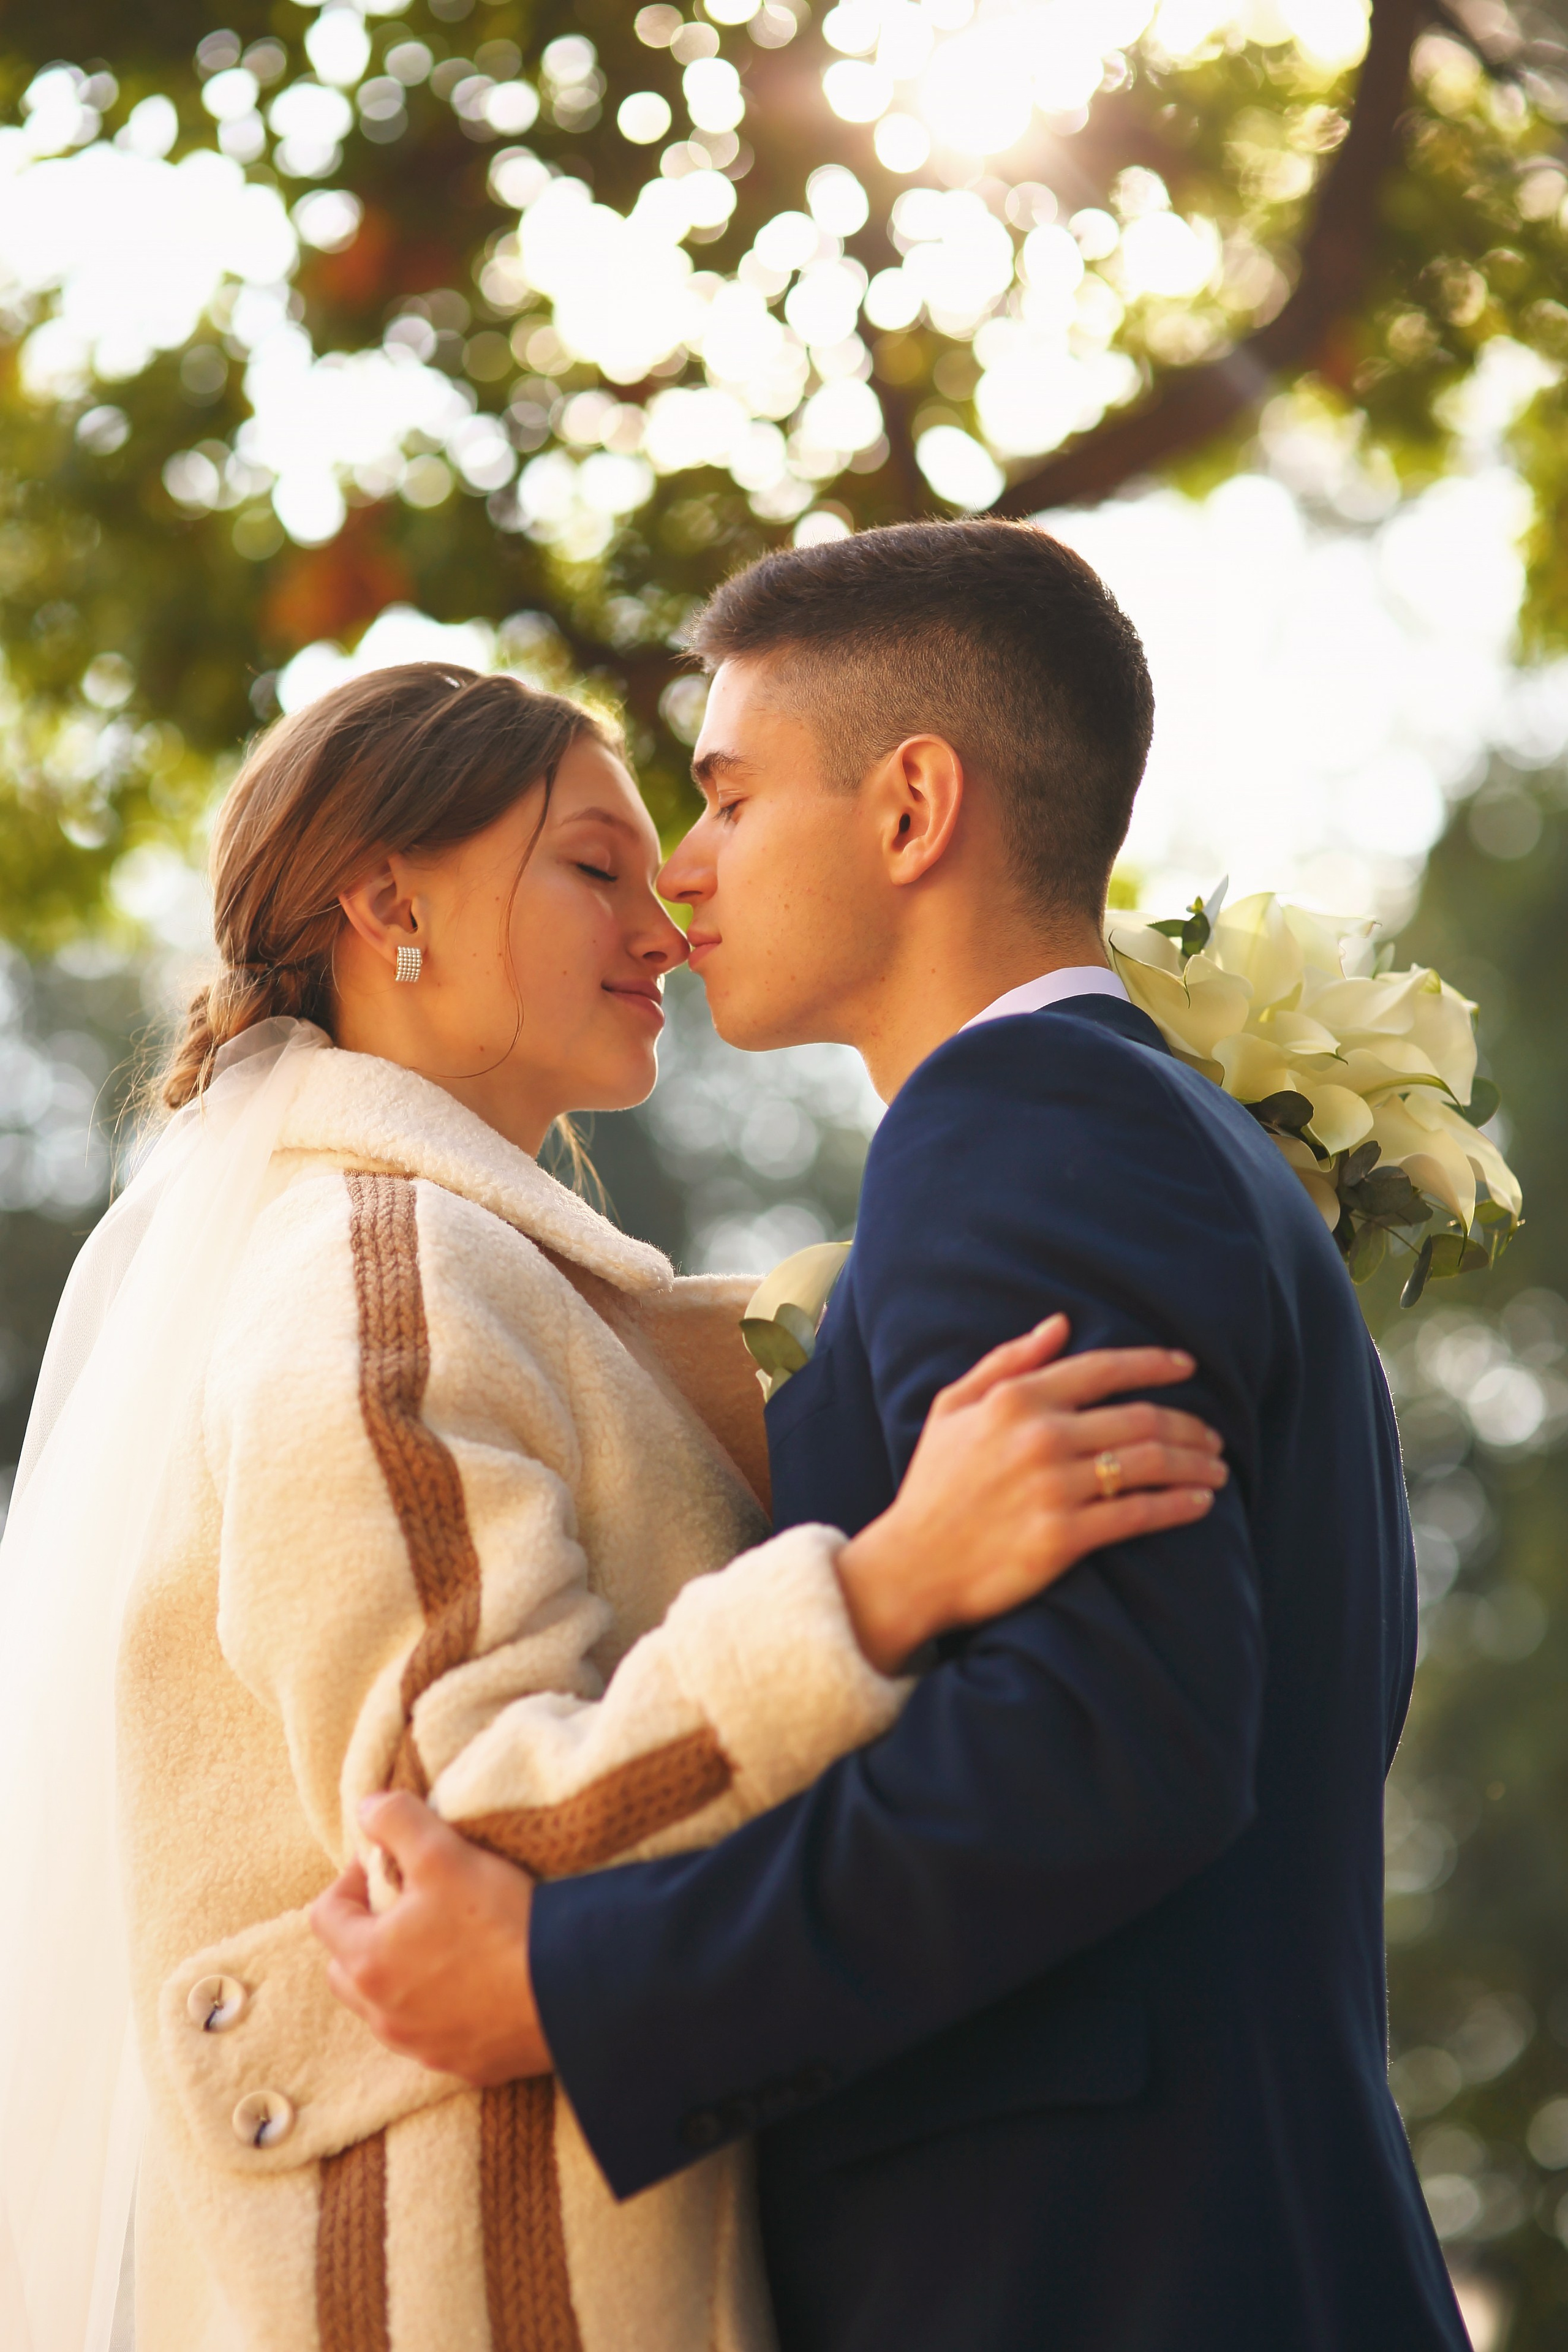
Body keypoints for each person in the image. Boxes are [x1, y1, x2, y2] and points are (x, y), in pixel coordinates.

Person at [317, 521, 1472, 2352]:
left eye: (726, 796)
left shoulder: (1021, 1135)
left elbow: (1101, 1745)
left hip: (1086, 2280)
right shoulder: (1154, 1144)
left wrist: (565, 1983)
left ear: (914, 804)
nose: (684, 877)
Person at [0, 654, 1224, 2352]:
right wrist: (881, 1588)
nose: (665, 931)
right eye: (596, 867)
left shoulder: (477, 1275)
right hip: (488, 2287)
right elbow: (462, 1841)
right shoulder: (372, 1281)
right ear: (386, 899)